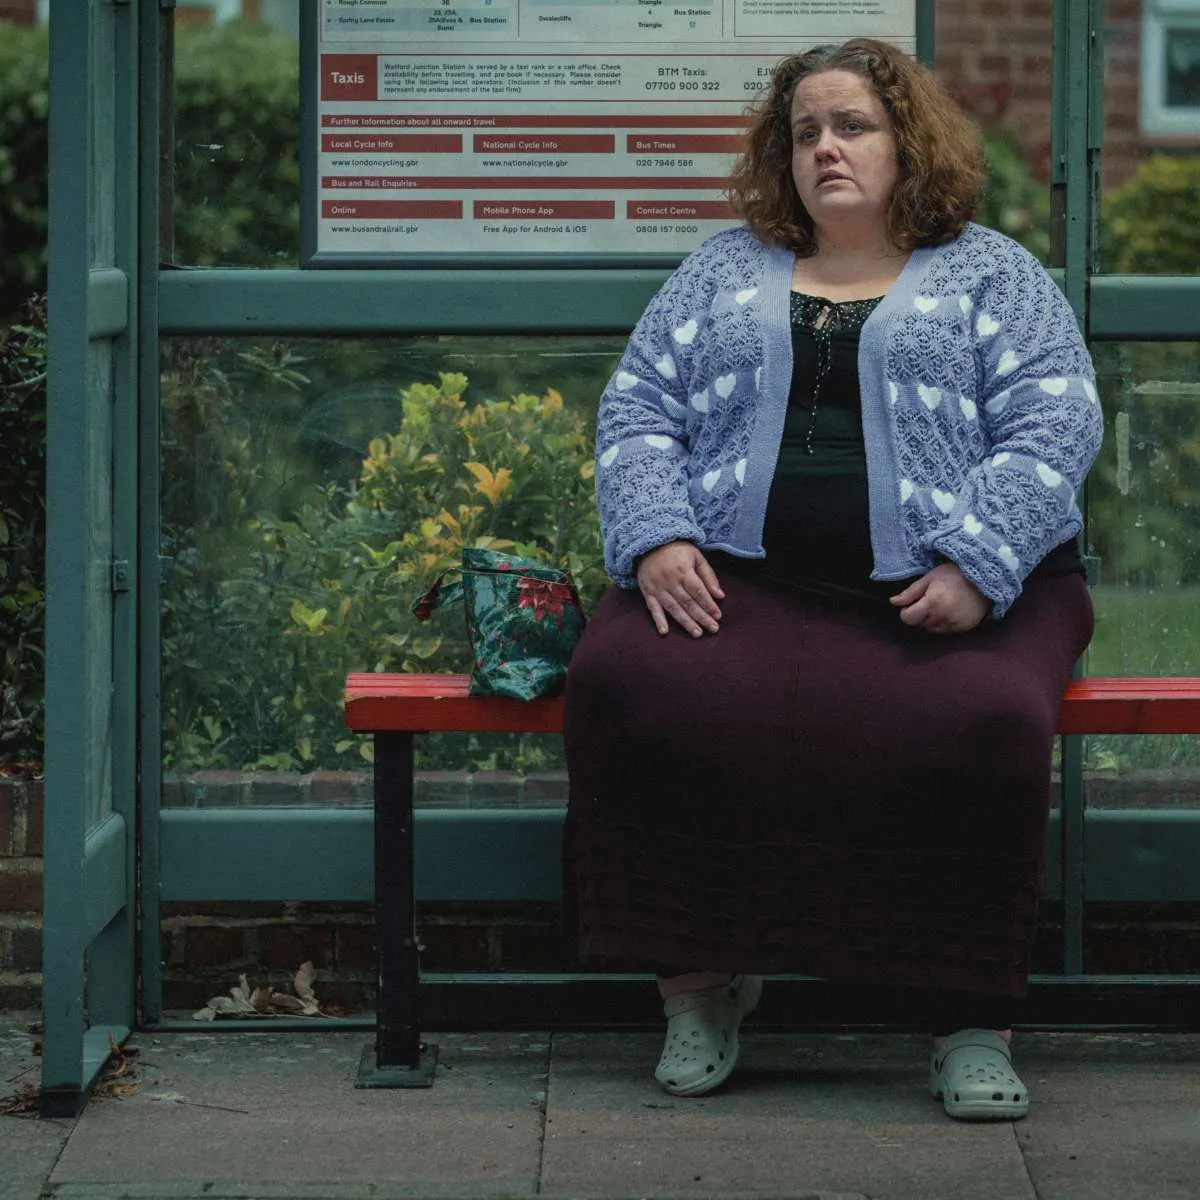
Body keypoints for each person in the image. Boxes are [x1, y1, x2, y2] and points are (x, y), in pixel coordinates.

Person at [562, 37, 1102, 1121]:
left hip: (946, 590)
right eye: (805, 131)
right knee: (625, 684)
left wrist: (980, 561)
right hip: (743, 579)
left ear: (909, 142)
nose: (826, 148)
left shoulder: (993, 269)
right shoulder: (718, 268)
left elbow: (1059, 416)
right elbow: (635, 410)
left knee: (985, 718)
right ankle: (700, 986)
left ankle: (969, 1022)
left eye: (852, 125)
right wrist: (661, 535)